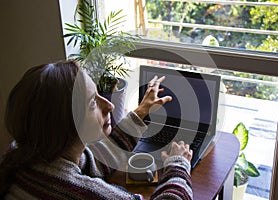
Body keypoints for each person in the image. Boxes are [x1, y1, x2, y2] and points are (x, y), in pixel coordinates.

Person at [0, 60, 193, 199]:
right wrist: (178, 164)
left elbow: (96, 161)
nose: (109, 105)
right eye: (93, 102)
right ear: (65, 123)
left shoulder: (20, 155)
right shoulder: (86, 194)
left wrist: (141, 112)